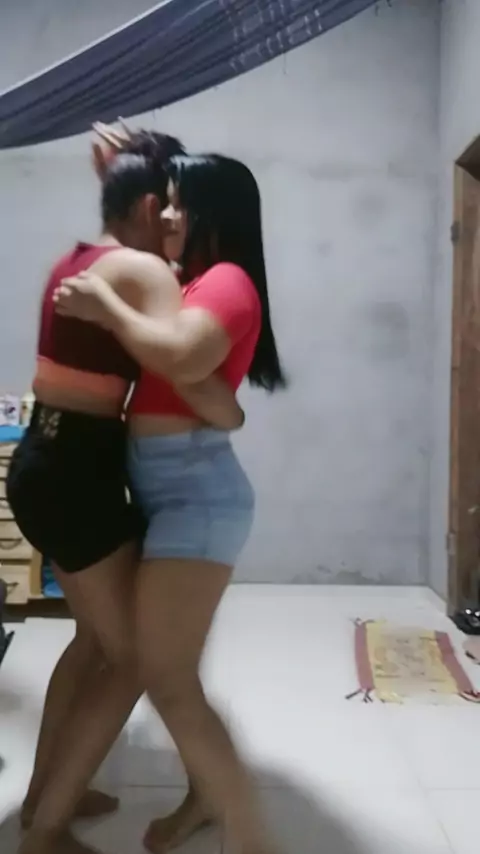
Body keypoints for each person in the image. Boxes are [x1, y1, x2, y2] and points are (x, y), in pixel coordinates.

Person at [10, 144, 245, 854]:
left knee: (92, 642)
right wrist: (229, 410)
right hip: (78, 475)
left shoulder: (74, 261)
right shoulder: (141, 272)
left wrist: (126, 174)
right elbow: (182, 355)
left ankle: (45, 795)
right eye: (166, 205)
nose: (174, 221)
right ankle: (47, 831)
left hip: (43, 460)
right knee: (135, 657)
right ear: (148, 205)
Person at [50, 153, 286, 854]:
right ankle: (206, 801)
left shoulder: (229, 279)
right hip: (169, 490)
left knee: (168, 679)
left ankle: (255, 842)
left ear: (217, 211)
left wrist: (108, 308)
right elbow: (190, 374)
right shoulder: (191, 280)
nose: (170, 215)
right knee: (170, 673)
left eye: (181, 203)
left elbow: (180, 357)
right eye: (165, 202)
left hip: (195, 495)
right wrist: (121, 176)